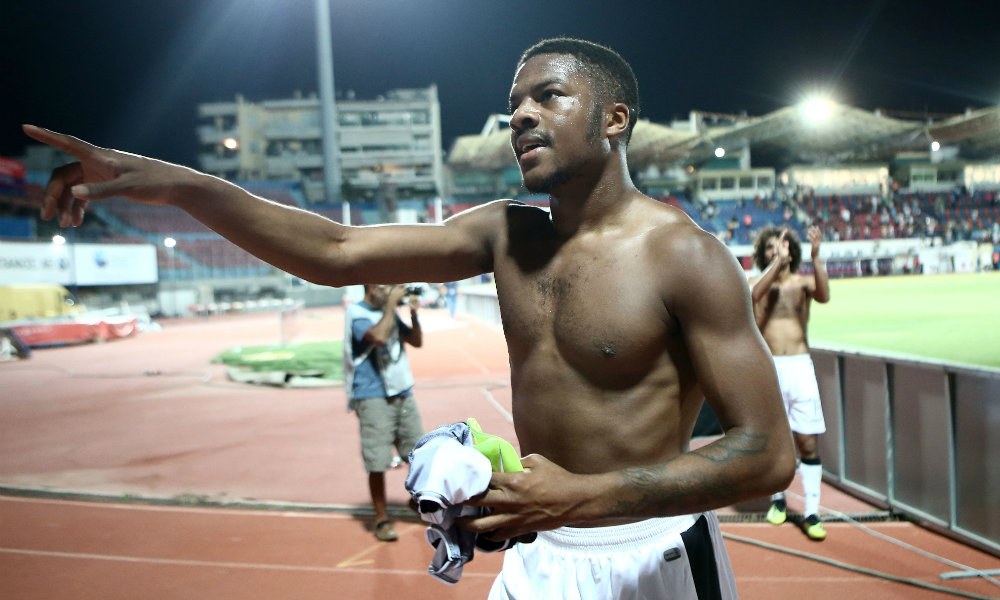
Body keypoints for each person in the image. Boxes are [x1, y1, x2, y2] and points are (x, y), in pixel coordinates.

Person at [26, 36, 796, 598]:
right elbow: (335, 249)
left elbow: (766, 456)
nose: (521, 117)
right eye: (513, 105)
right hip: (539, 553)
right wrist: (172, 185)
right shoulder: (506, 232)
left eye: (548, 97)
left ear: (615, 117)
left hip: (651, 557)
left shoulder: (684, 255)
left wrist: (577, 498)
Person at [749, 225, 831, 541]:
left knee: (807, 442)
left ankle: (812, 512)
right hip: (770, 370)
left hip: (800, 368)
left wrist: (816, 256)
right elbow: (754, 296)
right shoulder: (757, 283)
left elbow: (824, 296)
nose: (776, 251)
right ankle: (778, 500)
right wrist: (777, 264)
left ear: (792, 251)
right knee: (776, 441)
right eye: (769, 247)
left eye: (780, 246)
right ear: (763, 254)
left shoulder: (802, 283)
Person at [343, 283, 424, 542]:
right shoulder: (357, 313)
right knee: (377, 461)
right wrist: (390, 307)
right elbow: (377, 337)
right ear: (371, 286)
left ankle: (418, 502)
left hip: (402, 391)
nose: (390, 290)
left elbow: (416, 341)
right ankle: (381, 518)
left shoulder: (389, 313)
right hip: (372, 394)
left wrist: (413, 314)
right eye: (386, 285)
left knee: (419, 453)